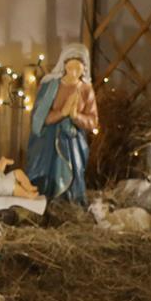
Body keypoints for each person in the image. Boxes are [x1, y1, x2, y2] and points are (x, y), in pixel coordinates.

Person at [25, 43, 99, 205]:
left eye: (78, 68)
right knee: (47, 173)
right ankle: (46, 200)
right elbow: (39, 117)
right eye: (70, 67)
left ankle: (70, 202)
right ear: (64, 66)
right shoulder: (50, 85)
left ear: (84, 69)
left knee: (75, 170)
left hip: (73, 141)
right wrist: (62, 113)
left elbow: (93, 122)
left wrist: (76, 116)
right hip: (48, 140)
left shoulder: (86, 89)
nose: (74, 72)